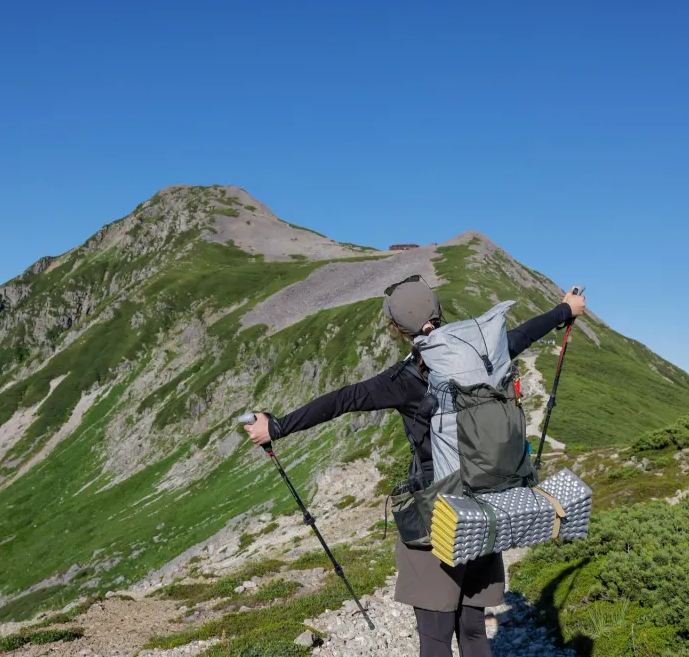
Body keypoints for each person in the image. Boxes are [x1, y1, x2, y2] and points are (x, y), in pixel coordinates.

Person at [244, 276, 587, 657]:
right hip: (487, 506)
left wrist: (276, 427)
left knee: (436, 638)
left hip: (437, 516)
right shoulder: (486, 352)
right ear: (439, 312)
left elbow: (344, 399)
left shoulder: (404, 380)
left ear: (397, 329)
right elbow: (527, 332)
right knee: (473, 631)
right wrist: (565, 310)